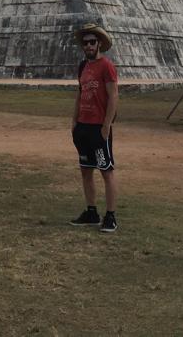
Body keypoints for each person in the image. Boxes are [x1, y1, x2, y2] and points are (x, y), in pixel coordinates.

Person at [69, 23, 119, 232]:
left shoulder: (106, 66)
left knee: (106, 172)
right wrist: (74, 121)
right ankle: (91, 212)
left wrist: (106, 125)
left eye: (92, 42)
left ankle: (110, 216)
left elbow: (114, 95)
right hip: (83, 127)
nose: (88, 46)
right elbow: (80, 94)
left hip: (99, 128)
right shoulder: (83, 67)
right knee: (86, 172)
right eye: (85, 43)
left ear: (99, 44)